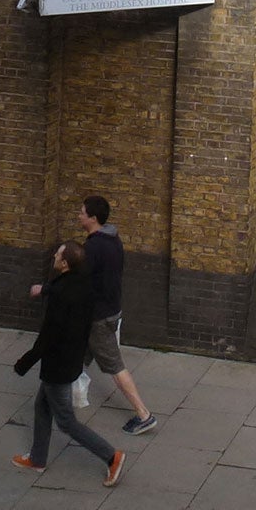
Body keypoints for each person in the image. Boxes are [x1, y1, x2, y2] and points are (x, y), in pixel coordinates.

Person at [30, 192, 157, 435]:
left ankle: (144, 414)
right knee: (73, 359)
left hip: (98, 317)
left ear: (93, 218)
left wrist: (45, 289)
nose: (78, 215)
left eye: (82, 213)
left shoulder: (93, 248)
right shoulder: (113, 240)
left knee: (115, 367)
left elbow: (75, 283)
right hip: (106, 311)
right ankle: (59, 405)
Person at [12, 241, 124, 486]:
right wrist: (45, 290)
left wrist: (24, 363)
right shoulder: (81, 283)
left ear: (64, 264)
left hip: (58, 365)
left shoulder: (62, 295)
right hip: (72, 358)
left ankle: (111, 456)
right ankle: (38, 459)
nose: (54, 255)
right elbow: (61, 288)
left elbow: (48, 335)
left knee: (66, 421)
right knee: (42, 407)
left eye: (58, 254)